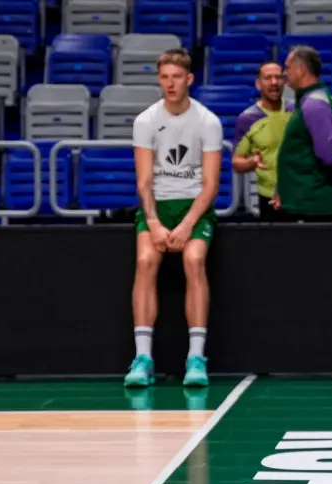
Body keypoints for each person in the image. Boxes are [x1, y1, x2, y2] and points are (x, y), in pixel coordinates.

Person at [124, 48, 223, 388]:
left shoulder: (208, 121)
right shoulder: (145, 120)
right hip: (158, 206)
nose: (170, 83)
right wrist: (152, 222)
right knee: (145, 260)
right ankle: (142, 358)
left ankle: (196, 357)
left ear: (189, 79)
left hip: (194, 206)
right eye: (164, 77)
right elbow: (144, 181)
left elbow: (210, 186)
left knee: (194, 260)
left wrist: (184, 226)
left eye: (176, 77)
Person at [272, 45, 332, 221]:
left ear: (300, 70)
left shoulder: (315, 105)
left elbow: (327, 156)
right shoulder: (308, 101)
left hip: (313, 206)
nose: (284, 74)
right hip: (303, 202)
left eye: (287, 68)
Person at [232, 61, 294, 222]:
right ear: (258, 84)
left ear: (285, 82)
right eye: (268, 78)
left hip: (298, 194)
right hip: (267, 198)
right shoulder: (247, 119)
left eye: (278, 77)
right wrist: (252, 162)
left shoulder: (297, 111)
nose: (274, 82)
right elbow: (237, 163)